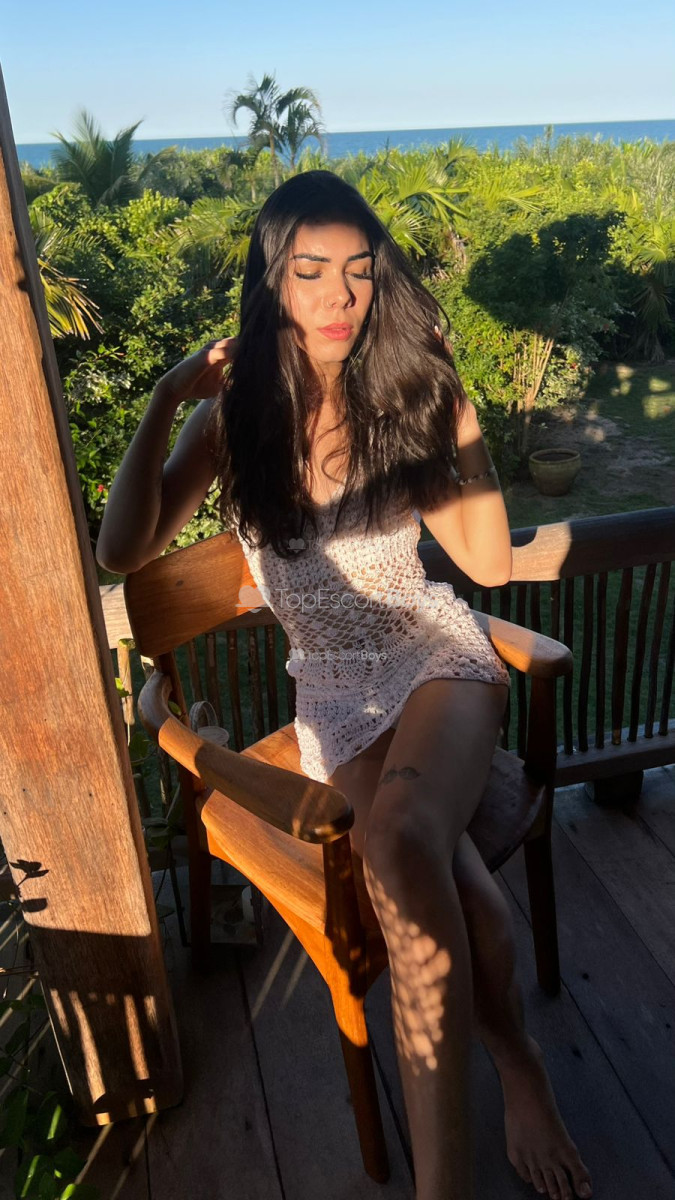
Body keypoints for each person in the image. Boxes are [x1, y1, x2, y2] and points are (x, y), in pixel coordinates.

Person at [96, 170, 592, 1200]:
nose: (338, 296)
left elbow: (486, 563)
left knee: (401, 843)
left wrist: (457, 404)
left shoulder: (401, 399)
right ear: (271, 281)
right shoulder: (233, 422)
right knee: (463, 899)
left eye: (358, 272)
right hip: (332, 696)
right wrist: (163, 399)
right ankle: (519, 1063)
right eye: (311, 271)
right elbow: (120, 551)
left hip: (433, 659)